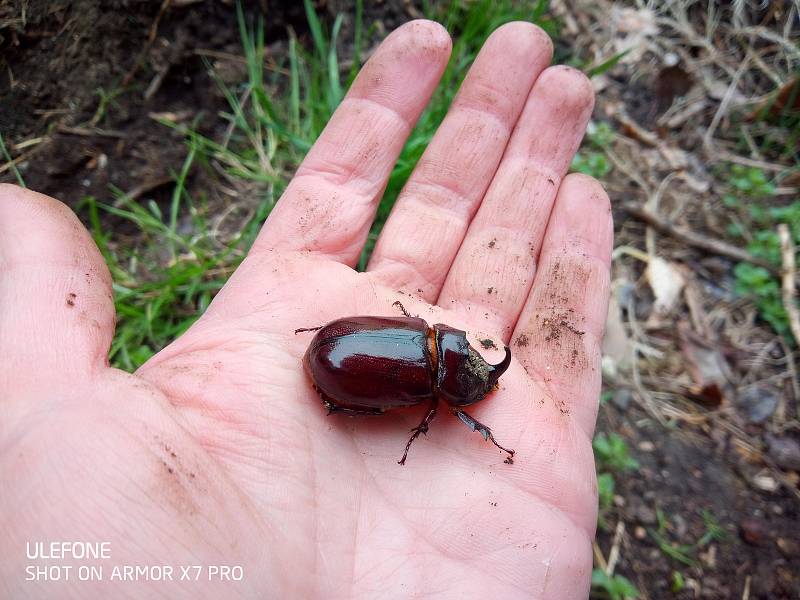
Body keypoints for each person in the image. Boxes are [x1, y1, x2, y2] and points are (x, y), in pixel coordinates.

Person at [0, 19, 612, 599]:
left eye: (477, 370)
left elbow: (382, 364)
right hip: (335, 365)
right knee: (376, 400)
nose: (481, 371)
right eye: (479, 369)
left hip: (337, 355)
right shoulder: (428, 390)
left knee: (366, 387)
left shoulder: (425, 347)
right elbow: (416, 409)